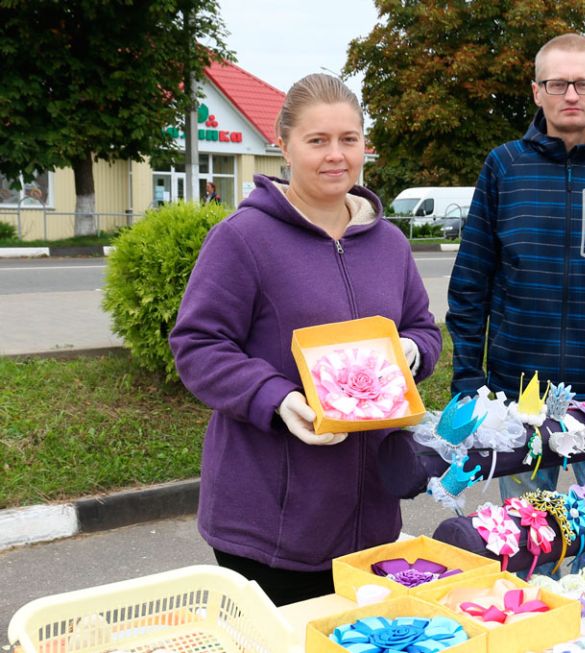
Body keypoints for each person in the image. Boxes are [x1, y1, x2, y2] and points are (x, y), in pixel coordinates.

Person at [169, 73, 442, 606]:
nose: (335, 155)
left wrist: (411, 352)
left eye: (348, 139)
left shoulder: (389, 243)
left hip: (371, 519)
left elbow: (423, 329)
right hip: (271, 526)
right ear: (284, 145)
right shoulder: (243, 239)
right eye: (317, 140)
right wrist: (276, 398)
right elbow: (198, 345)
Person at [447, 34, 585, 505]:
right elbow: (470, 283)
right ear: (537, 92)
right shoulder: (504, 167)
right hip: (520, 398)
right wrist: (469, 380)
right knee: (531, 533)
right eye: (557, 84)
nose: (571, 94)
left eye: (583, 83)